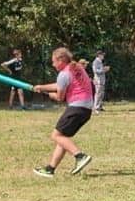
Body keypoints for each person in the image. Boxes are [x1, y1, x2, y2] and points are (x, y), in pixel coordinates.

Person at [32, 47, 95, 177]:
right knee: (63, 138)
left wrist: (50, 95)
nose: (53, 64)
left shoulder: (63, 74)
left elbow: (60, 97)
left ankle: (80, 156)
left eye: (54, 61)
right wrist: (41, 87)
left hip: (76, 108)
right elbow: (60, 84)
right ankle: (50, 168)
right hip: (86, 109)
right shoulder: (76, 67)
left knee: (56, 136)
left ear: (61, 60)